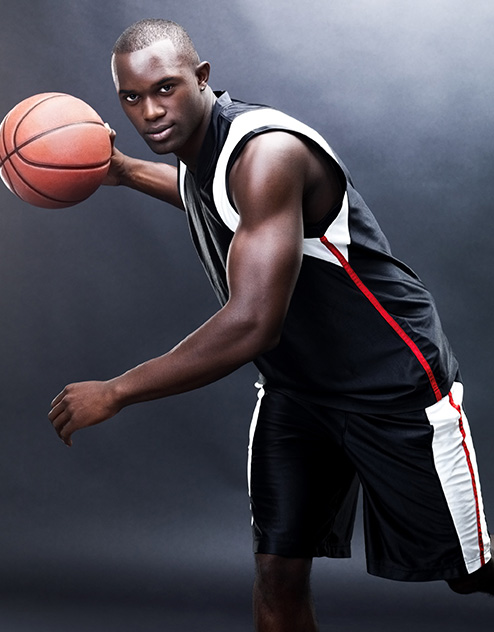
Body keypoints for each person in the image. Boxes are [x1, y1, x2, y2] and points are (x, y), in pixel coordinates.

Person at [48, 18, 494, 631]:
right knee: (277, 573)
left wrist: (118, 390)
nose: (149, 111)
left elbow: (253, 323)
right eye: (131, 97)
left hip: (390, 382)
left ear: (202, 78)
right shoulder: (203, 156)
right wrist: (124, 171)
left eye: (165, 88)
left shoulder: (267, 154)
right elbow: (210, 195)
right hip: (299, 391)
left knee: (470, 573)